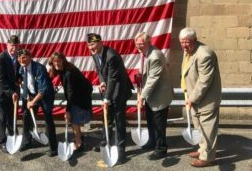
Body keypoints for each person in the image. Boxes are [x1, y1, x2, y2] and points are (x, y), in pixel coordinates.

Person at [86, 33, 133, 164]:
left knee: (119, 120)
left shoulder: (111, 56)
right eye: (89, 45)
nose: (91, 47)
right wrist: (101, 82)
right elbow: (99, 69)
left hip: (119, 89)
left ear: (101, 43)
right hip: (108, 87)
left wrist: (106, 99)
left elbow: (113, 79)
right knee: (107, 117)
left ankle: (121, 150)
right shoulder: (94, 53)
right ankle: (105, 143)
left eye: (94, 44)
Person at [179, 27, 222, 167]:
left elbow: (204, 81)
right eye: (182, 42)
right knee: (199, 127)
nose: (184, 45)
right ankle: (203, 149)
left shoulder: (205, 54)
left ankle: (208, 158)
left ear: (195, 40)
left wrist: (192, 98)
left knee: (207, 129)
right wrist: (186, 90)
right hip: (194, 96)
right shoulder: (188, 51)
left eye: (187, 42)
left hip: (207, 99)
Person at [134, 32, 173, 160]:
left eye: (141, 44)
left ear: (148, 42)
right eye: (137, 43)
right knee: (150, 121)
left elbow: (152, 79)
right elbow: (147, 73)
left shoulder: (155, 56)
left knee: (159, 124)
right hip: (152, 94)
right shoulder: (146, 53)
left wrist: (142, 97)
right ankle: (152, 141)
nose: (139, 46)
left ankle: (161, 149)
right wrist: (140, 75)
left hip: (159, 95)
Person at [48, 51, 93, 151]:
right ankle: (79, 137)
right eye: (54, 62)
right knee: (73, 119)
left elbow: (71, 92)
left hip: (80, 97)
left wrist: (67, 110)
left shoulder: (69, 73)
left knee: (74, 121)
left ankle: (79, 143)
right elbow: (51, 76)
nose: (56, 64)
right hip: (76, 97)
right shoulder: (63, 69)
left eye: (58, 61)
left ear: (63, 60)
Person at [17, 49, 58, 157]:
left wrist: (33, 102)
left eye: (24, 57)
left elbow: (42, 90)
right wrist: (21, 84)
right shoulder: (22, 67)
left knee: (48, 119)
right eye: (20, 58)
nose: (22, 59)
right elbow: (21, 77)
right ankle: (27, 142)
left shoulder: (39, 68)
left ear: (30, 57)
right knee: (27, 117)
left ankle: (53, 147)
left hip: (45, 96)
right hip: (31, 94)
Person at [0, 35, 21, 153]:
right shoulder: (0, 59)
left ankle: (13, 136)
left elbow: (19, 73)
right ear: (7, 45)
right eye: (12, 46)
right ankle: (2, 142)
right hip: (1, 93)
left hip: (13, 93)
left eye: (16, 46)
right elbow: (1, 79)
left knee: (12, 116)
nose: (14, 48)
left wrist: (19, 79)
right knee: (1, 118)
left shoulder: (19, 56)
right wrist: (11, 92)